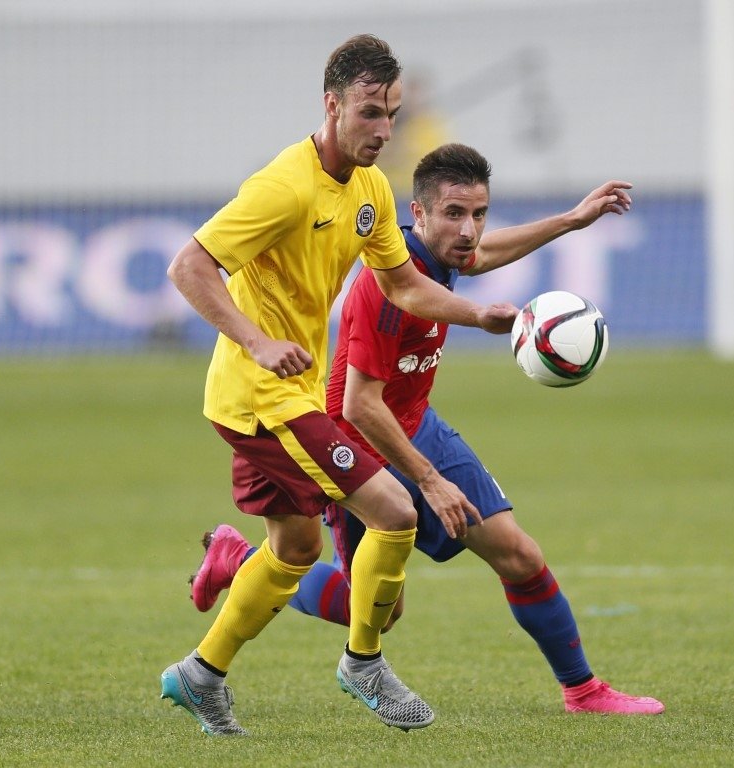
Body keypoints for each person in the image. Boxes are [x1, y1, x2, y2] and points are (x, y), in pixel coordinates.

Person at [189, 143, 665, 716]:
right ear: (419, 213)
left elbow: (482, 256)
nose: (469, 231)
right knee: (379, 611)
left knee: (517, 553)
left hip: (419, 426)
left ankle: (584, 691)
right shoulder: (383, 288)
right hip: (361, 441)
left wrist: (571, 219)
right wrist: (431, 480)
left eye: (479, 213)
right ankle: (239, 562)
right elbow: (362, 406)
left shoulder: (440, 254)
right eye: (455, 215)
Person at [159, 35, 518, 737]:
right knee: (395, 509)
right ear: (332, 106)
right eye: (368, 113)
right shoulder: (283, 187)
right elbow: (188, 267)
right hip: (259, 399)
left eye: (391, 113)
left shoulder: (372, 189)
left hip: (285, 395)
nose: (383, 130)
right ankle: (363, 664)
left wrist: (477, 314)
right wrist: (257, 340)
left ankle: (200, 675)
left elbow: (405, 283)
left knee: (295, 550)